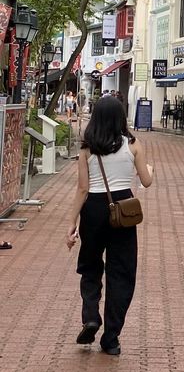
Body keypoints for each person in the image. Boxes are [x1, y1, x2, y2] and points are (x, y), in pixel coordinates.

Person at [65, 95, 153, 356]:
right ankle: (111, 339)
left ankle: (91, 315)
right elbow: (146, 182)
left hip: (93, 208)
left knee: (90, 266)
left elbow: (82, 189)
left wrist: (71, 221)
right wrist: (148, 169)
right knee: (122, 273)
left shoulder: (87, 148)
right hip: (123, 209)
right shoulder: (134, 144)